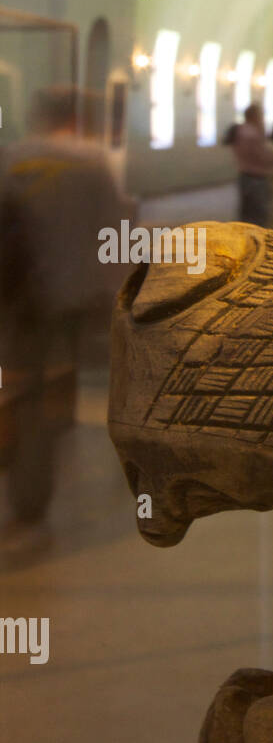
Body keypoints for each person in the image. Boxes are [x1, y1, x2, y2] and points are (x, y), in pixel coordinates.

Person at [0, 86, 135, 558]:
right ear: (76, 118)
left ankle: (28, 506)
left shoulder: (14, 159)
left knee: (22, 392)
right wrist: (117, 286)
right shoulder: (94, 163)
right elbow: (113, 230)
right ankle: (74, 440)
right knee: (69, 379)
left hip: (25, 300)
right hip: (79, 294)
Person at [230, 103, 273, 227]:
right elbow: (262, 156)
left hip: (244, 175)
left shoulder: (239, 130)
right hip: (256, 178)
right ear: (255, 116)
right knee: (258, 216)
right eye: (261, 114)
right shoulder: (253, 133)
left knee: (246, 215)